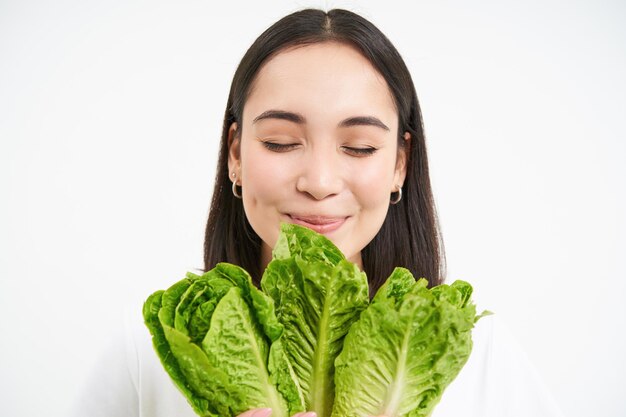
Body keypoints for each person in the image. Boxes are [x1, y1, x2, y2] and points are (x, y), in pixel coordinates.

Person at [71, 8, 564, 417]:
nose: (320, 182)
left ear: (400, 165)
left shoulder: (479, 357)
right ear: (236, 154)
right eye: (281, 142)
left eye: (359, 147)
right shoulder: (151, 353)